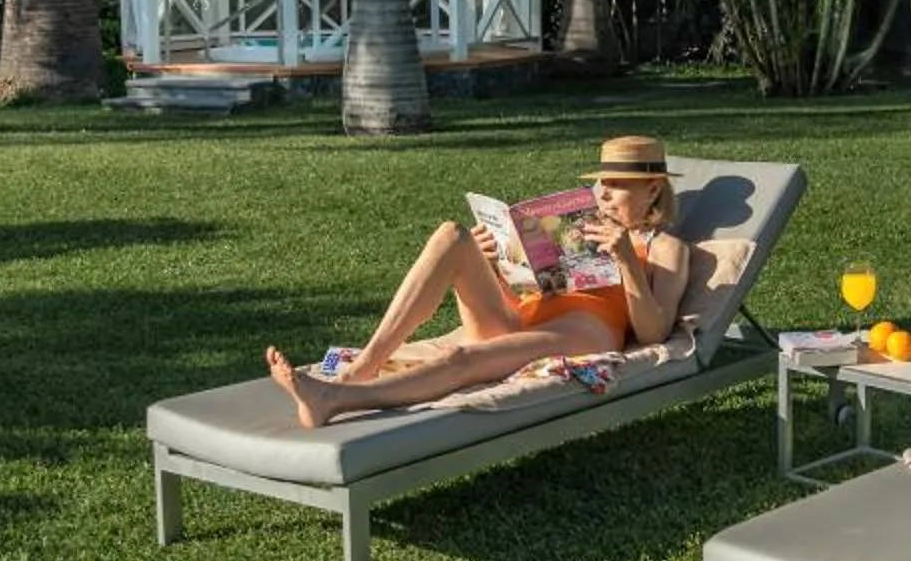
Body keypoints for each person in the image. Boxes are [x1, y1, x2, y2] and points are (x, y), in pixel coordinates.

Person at [266, 135, 693, 428]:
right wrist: (494, 258)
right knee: (454, 235)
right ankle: (365, 365)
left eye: (616, 187)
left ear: (654, 190)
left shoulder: (666, 248)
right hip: (525, 316)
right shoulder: (576, 224)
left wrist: (626, 261)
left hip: (582, 331)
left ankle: (334, 400)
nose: (602, 195)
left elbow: (654, 333)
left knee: (460, 358)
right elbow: (529, 284)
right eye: (601, 184)